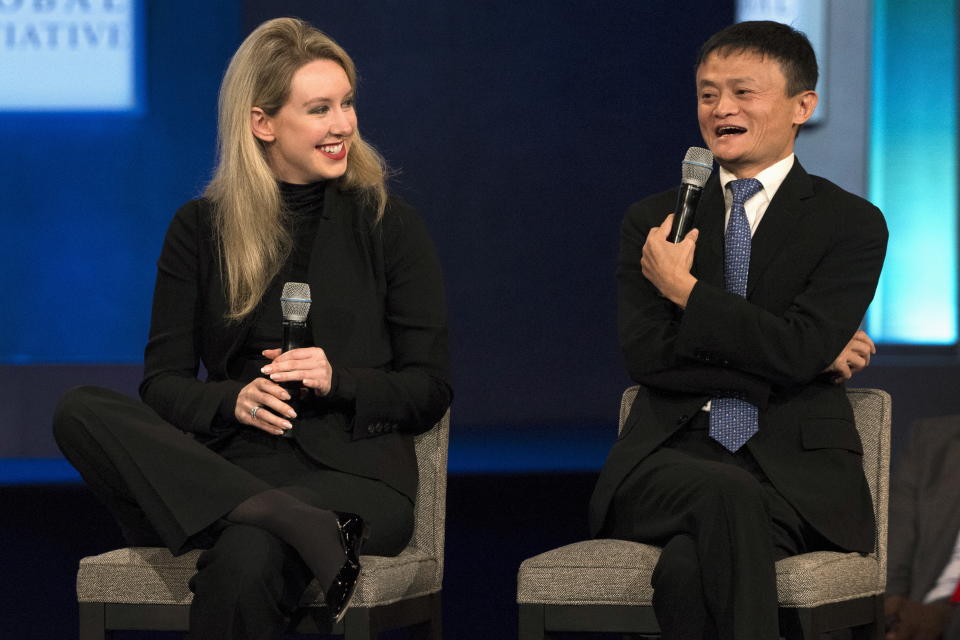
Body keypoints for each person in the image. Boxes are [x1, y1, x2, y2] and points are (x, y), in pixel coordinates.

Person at [53, 17, 451, 639]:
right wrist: (231, 400)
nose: (343, 124)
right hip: (235, 466)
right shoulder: (200, 229)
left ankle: (281, 519)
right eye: (319, 109)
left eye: (346, 104)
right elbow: (163, 385)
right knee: (79, 409)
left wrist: (337, 379)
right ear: (262, 122)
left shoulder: (388, 225)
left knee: (245, 557)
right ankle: (285, 517)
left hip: (354, 476)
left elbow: (430, 386)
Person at [588, 20, 888, 640]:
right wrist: (799, 356)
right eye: (707, 93)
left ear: (803, 105)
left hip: (792, 476)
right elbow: (648, 357)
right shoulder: (655, 221)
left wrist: (686, 294)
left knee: (685, 571)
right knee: (725, 495)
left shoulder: (851, 223)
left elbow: (798, 347)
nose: (720, 108)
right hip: (667, 460)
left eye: (742, 92)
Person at [885, 415, 960, 640]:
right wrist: (892, 608)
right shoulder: (932, 438)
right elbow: (897, 538)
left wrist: (948, 615)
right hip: (916, 611)